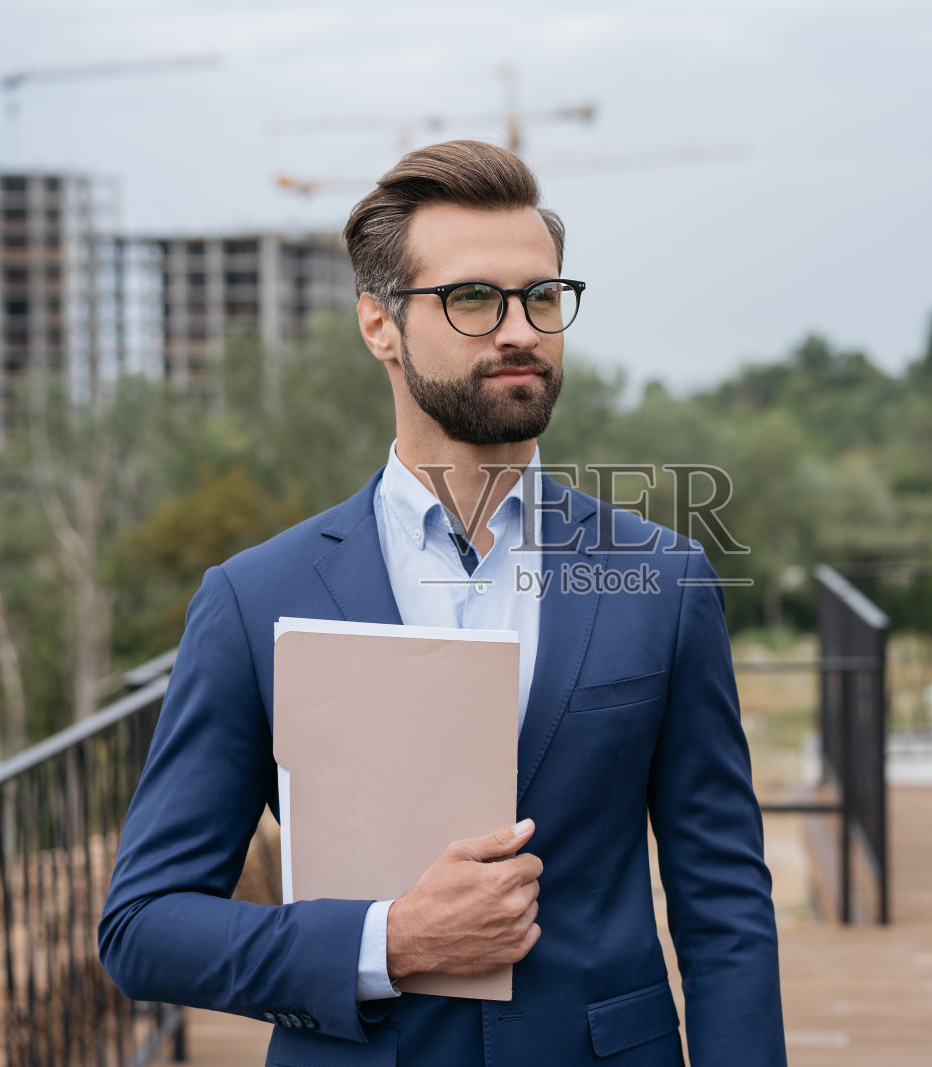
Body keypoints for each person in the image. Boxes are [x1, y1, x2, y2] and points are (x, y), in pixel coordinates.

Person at [99, 139, 785, 1066]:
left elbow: (725, 905)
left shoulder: (663, 579)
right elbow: (143, 926)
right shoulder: (251, 599)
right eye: (473, 299)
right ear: (379, 324)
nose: (521, 330)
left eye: (543, 297)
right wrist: (390, 941)